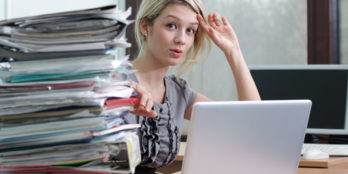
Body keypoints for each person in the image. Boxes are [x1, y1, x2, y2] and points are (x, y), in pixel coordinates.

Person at [125, 0, 261, 173]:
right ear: (145, 27)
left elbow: (252, 122)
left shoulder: (179, 92)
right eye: (171, 25)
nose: (181, 39)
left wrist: (233, 52)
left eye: (190, 30)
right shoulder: (114, 84)